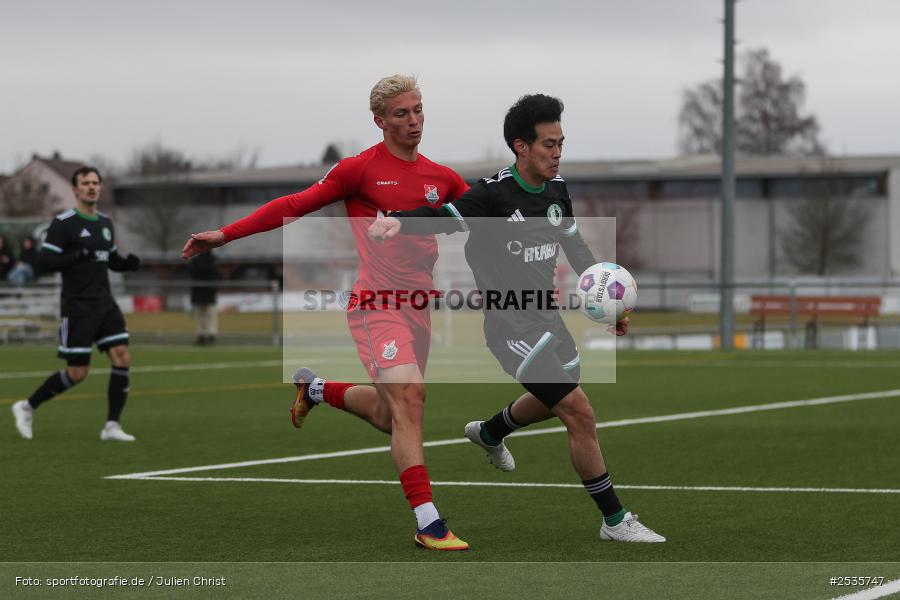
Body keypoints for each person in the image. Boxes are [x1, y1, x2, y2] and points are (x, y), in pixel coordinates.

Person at [181, 75, 471, 551]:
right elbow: (294, 205)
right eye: (402, 113)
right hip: (375, 305)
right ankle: (429, 522)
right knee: (410, 399)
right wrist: (226, 234)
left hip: (419, 309)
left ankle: (314, 388)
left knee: (388, 414)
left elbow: (484, 211)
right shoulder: (358, 170)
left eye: (418, 109)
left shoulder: (442, 177)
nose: (414, 120)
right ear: (379, 121)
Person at [369, 94, 666, 543]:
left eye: (561, 143)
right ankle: (615, 520)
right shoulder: (492, 195)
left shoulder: (556, 190)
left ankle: (491, 431)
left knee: (557, 399)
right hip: (510, 327)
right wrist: (397, 221)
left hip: (547, 320)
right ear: (520, 146)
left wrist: (607, 303)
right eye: (548, 144)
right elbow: (443, 218)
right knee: (579, 411)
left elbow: (575, 245)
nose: (557, 152)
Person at [12, 167, 142, 442]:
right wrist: (75, 255)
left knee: (122, 355)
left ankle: (112, 426)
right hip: (77, 307)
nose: (92, 187)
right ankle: (27, 407)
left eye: (96, 182)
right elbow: (44, 263)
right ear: (75, 190)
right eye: (86, 183)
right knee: (77, 373)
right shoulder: (63, 223)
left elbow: (110, 259)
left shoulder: (105, 223)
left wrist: (126, 264)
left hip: (105, 302)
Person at [189, 249, 220, 345]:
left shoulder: (195, 261)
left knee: (201, 315)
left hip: (198, 291)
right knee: (210, 314)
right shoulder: (213, 260)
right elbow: (218, 275)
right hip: (209, 292)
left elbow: (191, 273)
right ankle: (211, 334)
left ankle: (201, 334)